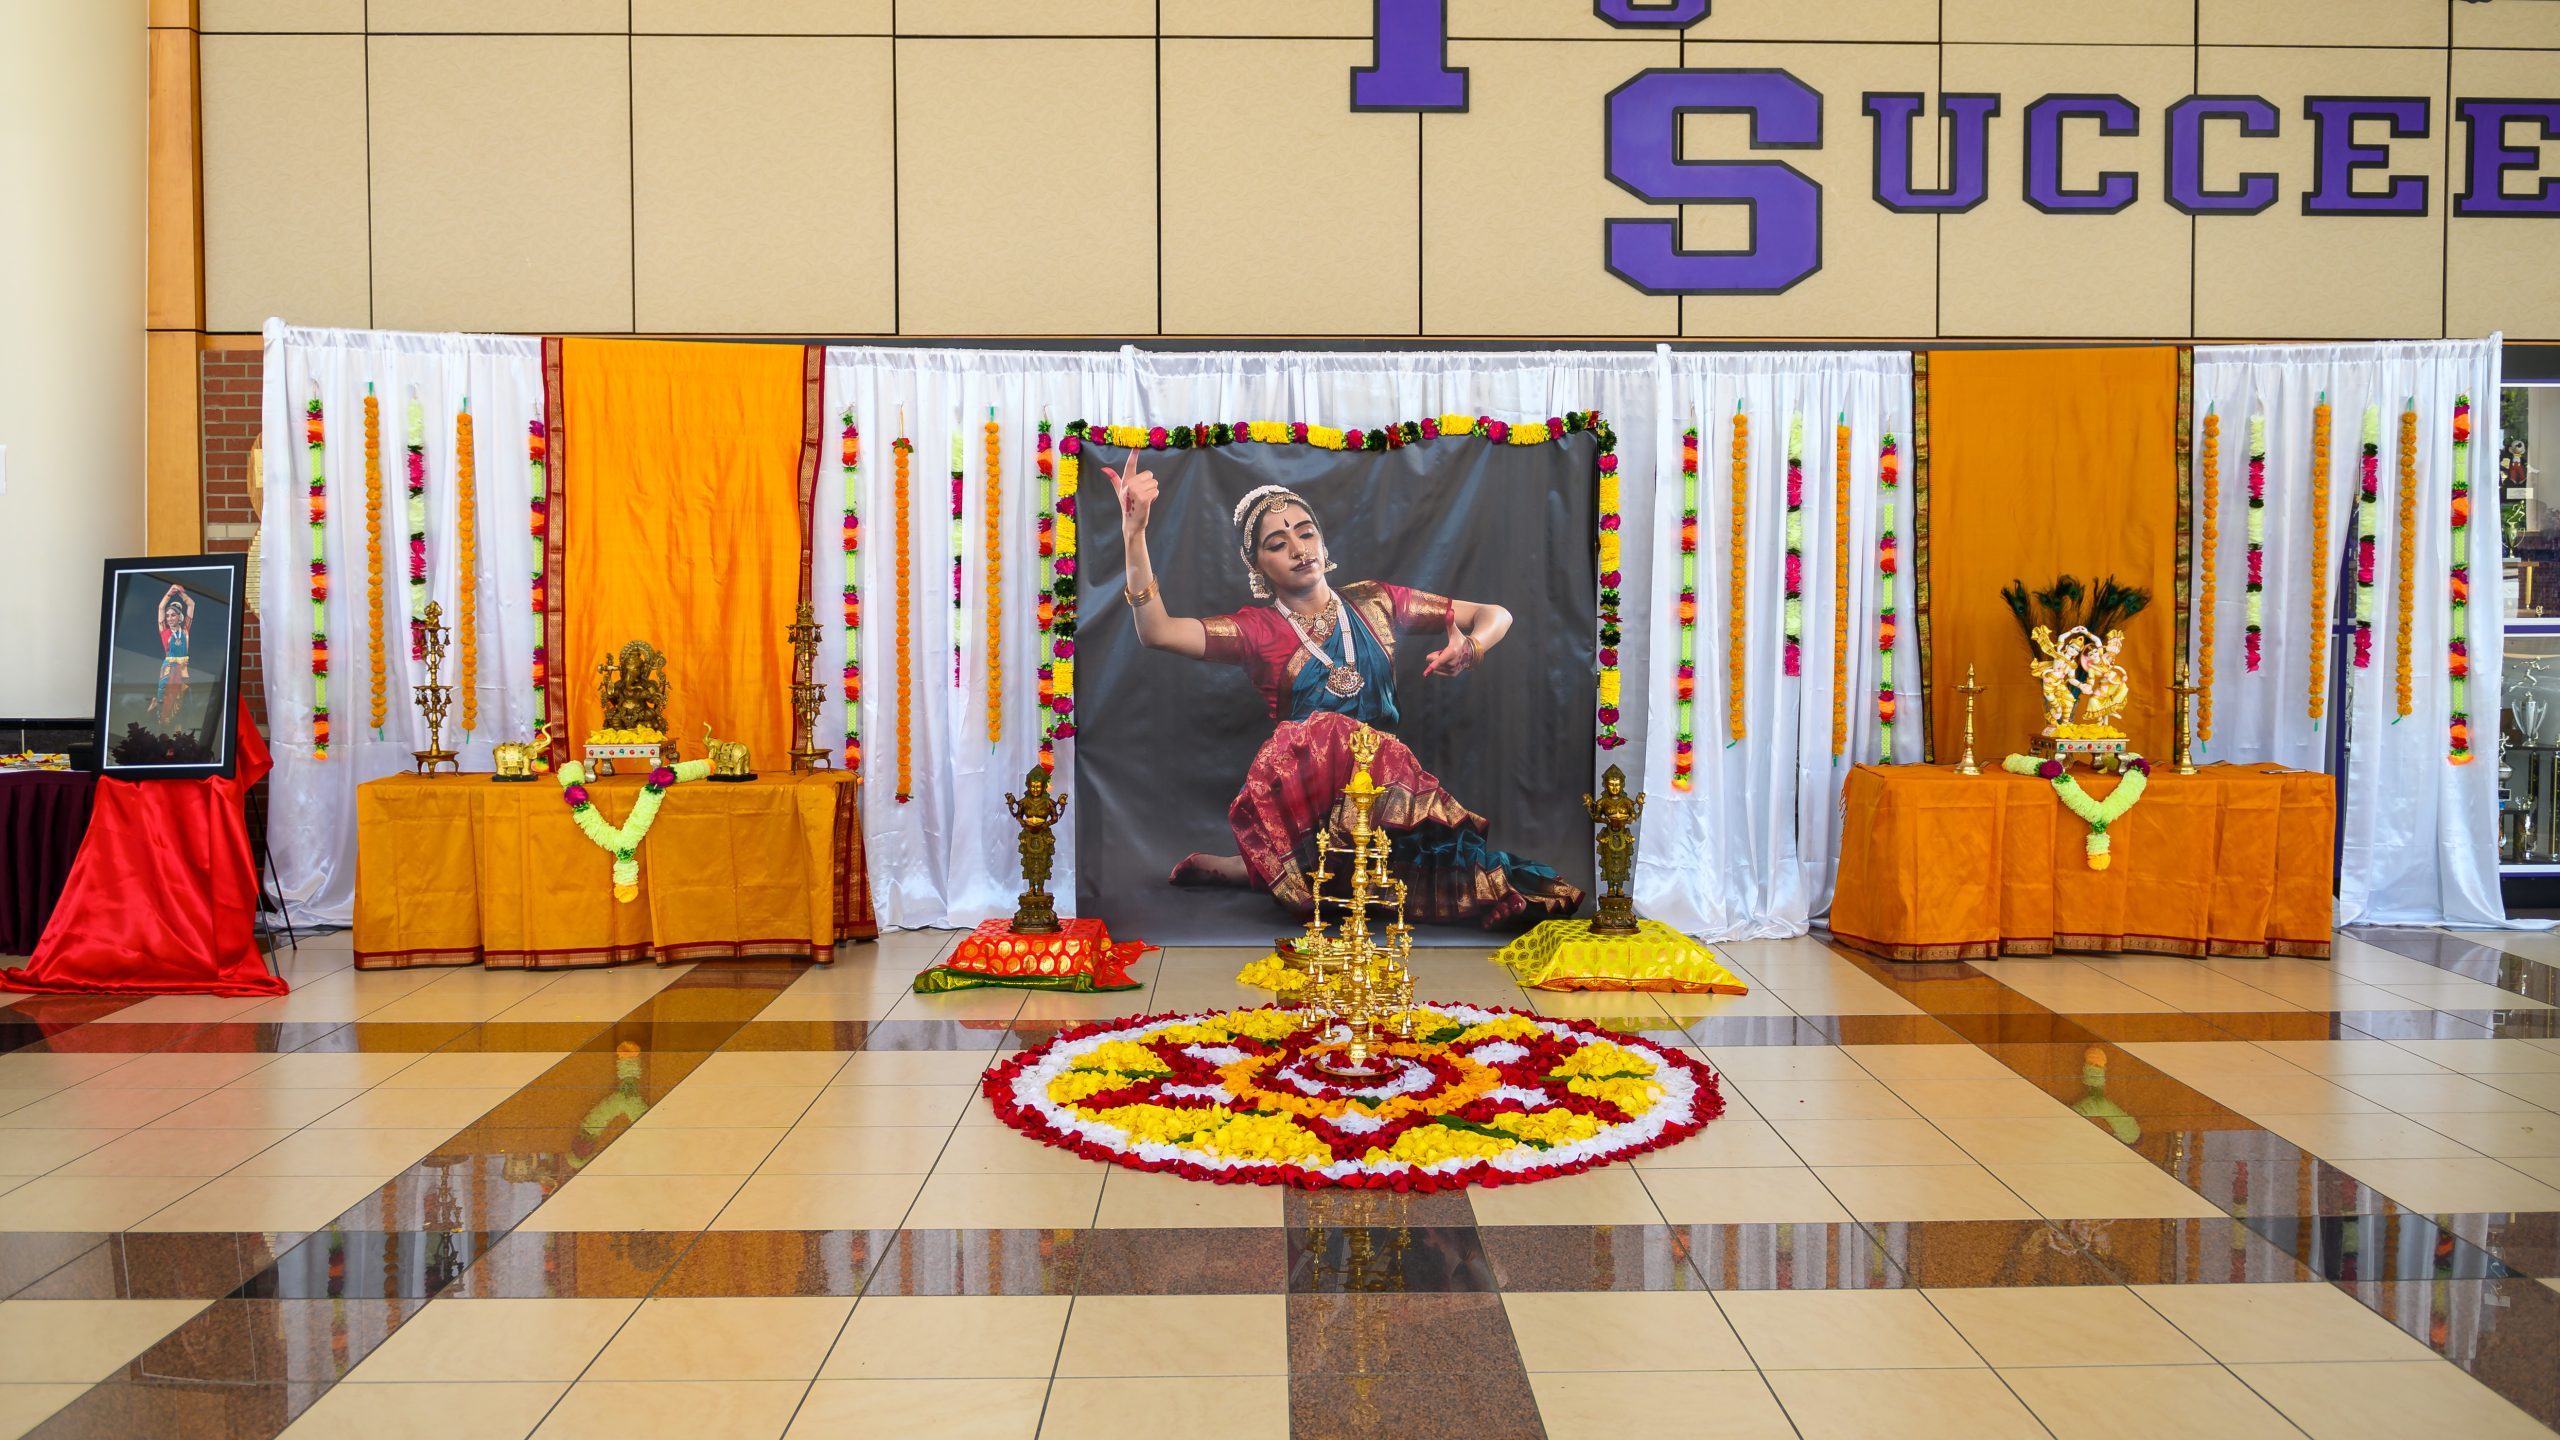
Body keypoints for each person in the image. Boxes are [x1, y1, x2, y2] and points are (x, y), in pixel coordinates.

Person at [1106, 450, 1582, 929]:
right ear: (1257, 565)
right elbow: (1157, 631)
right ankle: (1270, 862)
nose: (1298, 549)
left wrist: (1472, 647)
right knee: (1326, 731)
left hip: (1386, 794)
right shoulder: (1258, 630)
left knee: (1461, 881)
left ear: (1322, 539)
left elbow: (1496, 614)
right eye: (1277, 543)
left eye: (1305, 532)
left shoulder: (1377, 603)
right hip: (1308, 802)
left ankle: (1252, 869)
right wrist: (1134, 534)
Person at [151, 584, 194, 729]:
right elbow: (160, 608)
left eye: (173, 615)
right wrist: (169, 593)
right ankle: (161, 723)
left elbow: (191, 604)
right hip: (169, 667)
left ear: (179, 617)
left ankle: (180, 729)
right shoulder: (165, 631)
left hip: (182, 668)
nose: (169, 618)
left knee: (183, 697)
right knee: (164, 695)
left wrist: (180, 593)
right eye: (168, 615)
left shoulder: (185, 629)